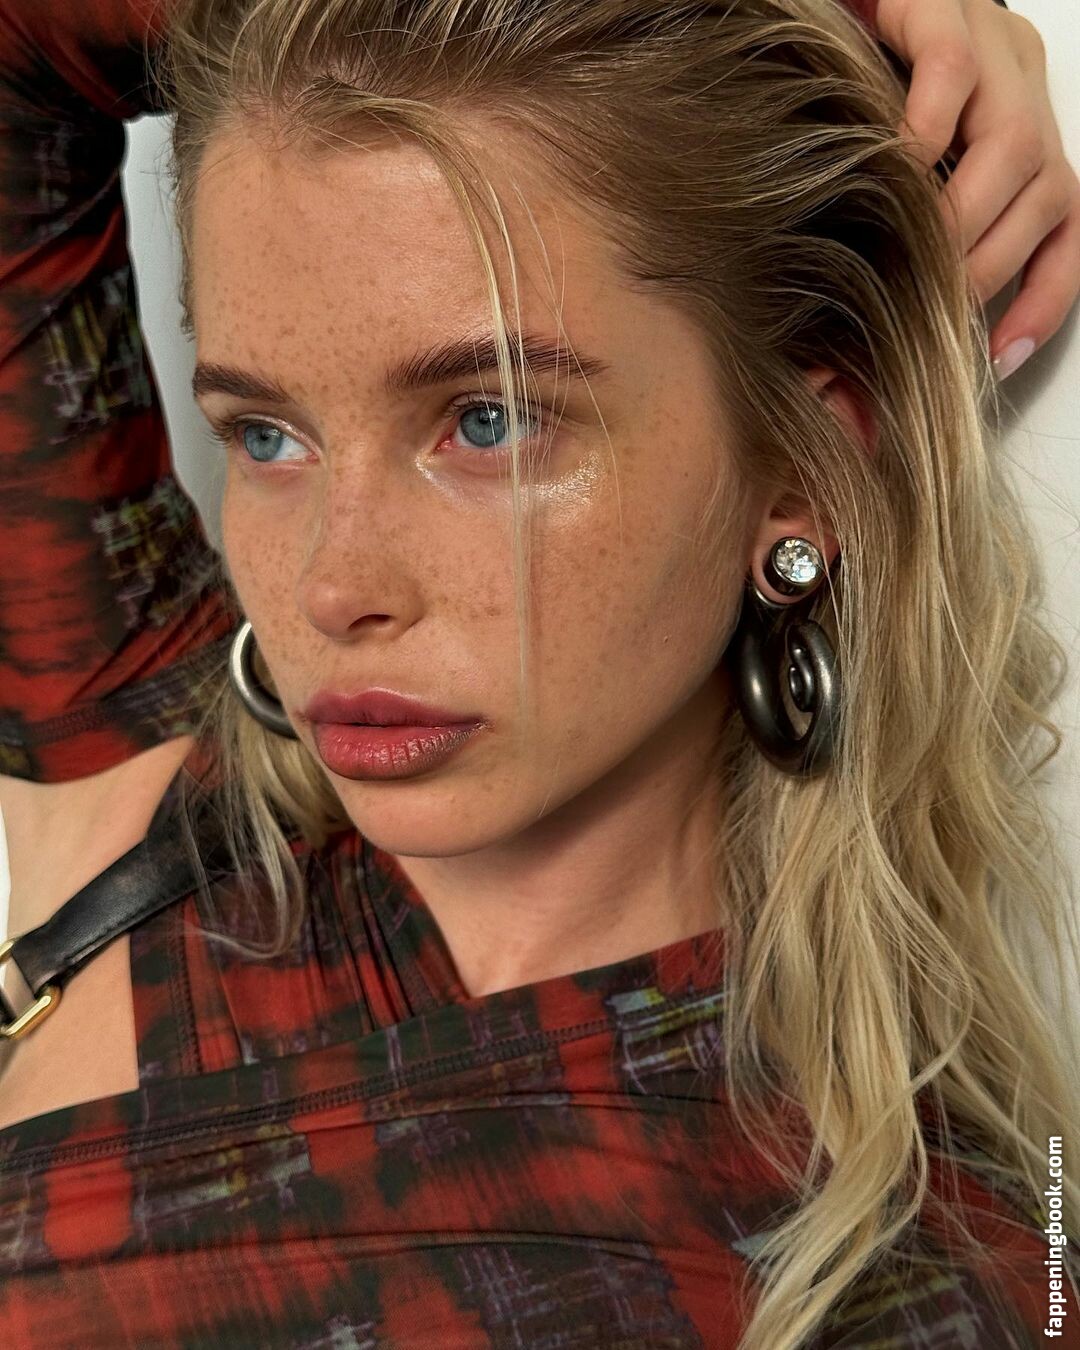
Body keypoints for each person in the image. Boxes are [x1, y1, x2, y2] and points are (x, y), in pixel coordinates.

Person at [0, 0, 1078, 1347]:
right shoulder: (164, 813)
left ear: (804, 466)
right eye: (267, 435)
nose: (334, 586)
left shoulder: (927, 1289)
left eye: (487, 418)